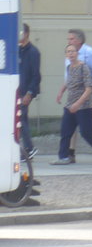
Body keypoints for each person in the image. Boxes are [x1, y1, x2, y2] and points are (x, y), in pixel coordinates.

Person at [51, 44, 92, 165]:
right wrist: (60, 92)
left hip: (84, 107)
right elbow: (68, 82)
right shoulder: (69, 67)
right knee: (65, 131)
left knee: (86, 132)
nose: (71, 54)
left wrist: (78, 104)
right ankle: (63, 157)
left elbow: (89, 88)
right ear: (66, 54)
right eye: (68, 51)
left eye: (73, 51)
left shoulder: (84, 68)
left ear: (77, 53)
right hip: (70, 105)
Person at [17, 23, 41, 157]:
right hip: (18, 90)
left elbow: (36, 75)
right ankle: (28, 148)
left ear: (26, 34)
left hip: (26, 91)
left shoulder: (33, 52)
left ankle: (29, 148)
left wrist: (30, 93)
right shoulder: (19, 50)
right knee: (22, 119)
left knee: (21, 119)